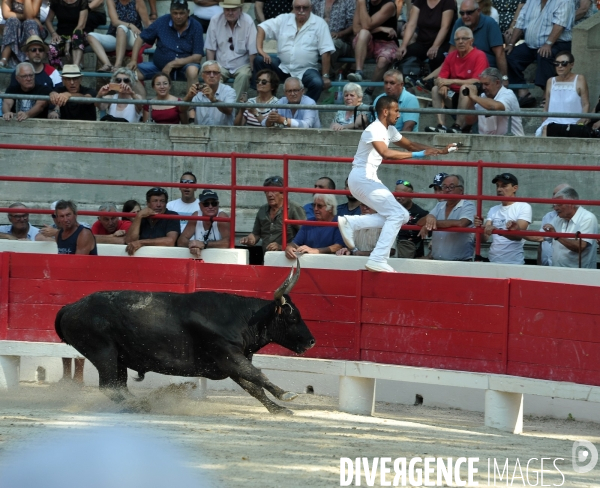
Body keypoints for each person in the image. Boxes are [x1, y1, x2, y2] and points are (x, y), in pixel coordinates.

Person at [337, 96, 457, 273]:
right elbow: (386, 153)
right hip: (362, 179)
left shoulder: (389, 129)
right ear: (386, 111)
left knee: (399, 215)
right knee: (398, 213)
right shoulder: (374, 129)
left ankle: (353, 223)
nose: (399, 115)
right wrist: (420, 154)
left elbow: (410, 144)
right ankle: (376, 257)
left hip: (367, 179)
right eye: (397, 111)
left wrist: (439, 150)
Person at [254, 0, 335, 104]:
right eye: (298, 7)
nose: (301, 10)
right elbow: (262, 27)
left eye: (304, 8)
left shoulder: (319, 23)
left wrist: (325, 76)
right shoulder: (284, 19)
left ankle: (303, 109)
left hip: (306, 70)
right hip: (283, 67)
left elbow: (326, 51)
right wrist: (260, 50)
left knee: (317, 82)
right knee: (259, 60)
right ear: (293, 8)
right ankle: (269, 101)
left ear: (311, 8)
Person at [54, 199, 97, 385]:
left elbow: (77, 266)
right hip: (67, 286)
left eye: (68, 215)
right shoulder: (60, 235)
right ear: (57, 218)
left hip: (82, 287)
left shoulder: (84, 234)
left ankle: (78, 377)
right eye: (61, 216)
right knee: (65, 330)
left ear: (75, 214)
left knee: (79, 331)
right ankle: (66, 376)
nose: (66, 219)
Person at [505, 0, 575, 108]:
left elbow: (560, 25)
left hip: (557, 43)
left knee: (545, 54)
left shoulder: (564, 1)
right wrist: (511, 44)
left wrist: (548, 43)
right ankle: (523, 92)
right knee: (510, 55)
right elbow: (520, 22)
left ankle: (547, 95)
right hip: (531, 45)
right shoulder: (531, 1)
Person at [127, 0, 204, 98]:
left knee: (193, 70)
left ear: (188, 12)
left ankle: (191, 107)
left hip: (184, 68)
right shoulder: (162, 21)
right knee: (130, 74)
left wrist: (172, 64)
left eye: (182, 13)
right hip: (159, 67)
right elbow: (140, 38)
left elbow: (197, 57)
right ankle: (143, 107)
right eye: (175, 13)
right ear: (170, 12)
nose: (178, 16)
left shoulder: (196, 26)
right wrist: (133, 60)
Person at [425, 27, 489, 133]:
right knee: (436, 89)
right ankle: (441, 126)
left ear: (471, 41)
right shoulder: (451, 56)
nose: (460, 42)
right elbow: (440, 78)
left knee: (465, 88)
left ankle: (457, 126)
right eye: (457, 39)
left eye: (464, 38)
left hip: (473, 100)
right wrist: (443, 85)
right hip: (454, 96)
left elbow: (477, 81)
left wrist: (450, 82)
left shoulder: (479, 55)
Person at [473, 173, 531, 264]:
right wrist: (479, 227)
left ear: (515, 188)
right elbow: (483, 238)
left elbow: (519, 235)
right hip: (492, 261)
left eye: (504, 186)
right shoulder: (493, 209)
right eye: (497, 186)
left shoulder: (523, 207)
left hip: (513, 262)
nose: (499, 189)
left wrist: (498, 231)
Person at [205, 0, 257, 100]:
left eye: (233, 10)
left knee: (244, 76)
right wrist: (210, 69)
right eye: (227, 9)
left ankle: (232, 109)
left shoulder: (248, 21)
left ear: (240, 9)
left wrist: (252, 71)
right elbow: (210, 49)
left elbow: (252, 51)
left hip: (242, 65)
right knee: (213, 77)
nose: (229, 12)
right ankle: (217, 108)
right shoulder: (215, 20)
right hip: (221, 65)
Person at [239, 175, 306, 253]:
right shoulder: (262, 210)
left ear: (283, 193)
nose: (269, 194)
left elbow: (304, 236)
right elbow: (256, 233)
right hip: (266, 257)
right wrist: (250, 239)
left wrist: (282, 246)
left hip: (287, 258)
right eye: (267, 191)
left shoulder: (294, 208)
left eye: (273, 191)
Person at [347, 0, 397, 103]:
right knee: (363, 33)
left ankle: (369, 91)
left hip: (386, 42)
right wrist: (380, 28)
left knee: (383, 60)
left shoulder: (389, 5)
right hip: (368, 42)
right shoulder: (363, 3)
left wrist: (361, 3)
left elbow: (367, 25)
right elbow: (356, 30)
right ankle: (359, 72)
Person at [417, 174, 476, 261]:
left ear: (461, 190)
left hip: (460, 263)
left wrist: (432, 223)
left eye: (451, 187)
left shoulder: (468, 205)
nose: (447, 190)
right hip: (436, 261)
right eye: (444, 187)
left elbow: (461, 223)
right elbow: (419, 222)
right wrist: (429, 217)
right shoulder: (439, 205)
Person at [535, 52, 589, 137]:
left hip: (573, 123)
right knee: (545, 129)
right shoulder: (550, 81)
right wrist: (544, 120)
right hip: (552, 122)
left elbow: (585, 104)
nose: (560, 66)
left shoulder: (580, 79)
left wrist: (582, 120)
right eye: (557, 64)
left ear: (572, 65)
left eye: (564, 63)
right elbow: (546, 106)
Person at [86, 0, 150, 73]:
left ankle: (117, 65)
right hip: (115, 36)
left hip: (132, 37)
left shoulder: (138, 1)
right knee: (91, 36)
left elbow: (146, 22)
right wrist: (130, 25)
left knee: (121, 28)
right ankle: (107, 64)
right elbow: (114, 21)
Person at [542, 186, 598, 269]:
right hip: (557, 271)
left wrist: (556, 236)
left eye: (559, 204)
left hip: (579, 275)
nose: (556, 208)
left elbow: (580, 246)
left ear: (571, 203)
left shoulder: (587, 218)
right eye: (554, 205)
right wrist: (518, 231)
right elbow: (540, 236)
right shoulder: (559, 219)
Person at [395, 0, 456, 75]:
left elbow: (445, 27)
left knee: (436, 57)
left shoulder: (448, 2)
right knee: (405, 54)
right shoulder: (419, 1)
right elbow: (411, 24)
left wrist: (435, 46)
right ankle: (410, 81)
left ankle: (434, 83)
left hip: (442, 43)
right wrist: (403, 45)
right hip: (423, 42)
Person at [462, 66, 523, 136]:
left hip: (511, 142)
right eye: (482, 84)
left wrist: (474, 96)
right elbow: (470, 121)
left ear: (497, 83)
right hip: (487, 142)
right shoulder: (482, 96)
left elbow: (495, 106)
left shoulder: (508, 94)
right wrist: (471, 99)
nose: (483, 87)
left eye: (486, 84)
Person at [284, 193, 344, 258]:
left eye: (319, 206)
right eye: (314, 205)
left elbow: (338, 246)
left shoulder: (339, 222)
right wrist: (289, 248)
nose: (315, 209)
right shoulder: (309, 222)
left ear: (330, 208)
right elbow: (295, 243)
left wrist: (316, 251)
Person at [124, 187, 180, 256]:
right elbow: (129, 241)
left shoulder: (172, 215)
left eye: (162, 201)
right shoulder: (142, 217)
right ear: (148, 203)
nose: (158, 205)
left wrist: (141, 242)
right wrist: (139, 216)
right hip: (141, 258)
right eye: (155, 201)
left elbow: (170, 241)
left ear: (166, 203)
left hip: (164, 258)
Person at [177, 189, 230, 257]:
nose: (210, 207)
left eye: (214, 203)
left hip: (219, 257)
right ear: (200, 205)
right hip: (199, 256)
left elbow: (228, 242)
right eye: (206, 204)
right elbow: (181, 241)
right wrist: (193, 245)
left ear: (218, 204)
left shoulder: (222, 217)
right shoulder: (196, 216)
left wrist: (204, 244)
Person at [527, 183, 570, 266]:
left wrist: (517, 231)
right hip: (545, 266)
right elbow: (541, 242)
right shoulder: (548, 216)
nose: (553, 198)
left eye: (557, 194)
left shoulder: (575, 218)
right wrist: (539, 264)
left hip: (563, 268)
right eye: (553, 194)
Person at [185, 60, 237, 126]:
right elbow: (184, 109)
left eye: (215, 73)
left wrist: (213, 99)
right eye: (208, 72)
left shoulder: (229, 91)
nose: (212, 75)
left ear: (220, 76)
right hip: (201, 132)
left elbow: (229, 110)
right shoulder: (197, 90)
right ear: (202, 75)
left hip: (223, 133)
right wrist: (188, 97)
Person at [0, 0, 49, 67]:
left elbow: (29, 17)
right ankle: (4, 59)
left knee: (29, 22)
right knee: (12, 21)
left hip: (33, 28)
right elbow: (6, 14)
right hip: (16, 27)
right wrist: (23, 16)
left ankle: (30, 59)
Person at [44, 0, 88, 69]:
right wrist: (53, 33)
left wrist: (69, 41)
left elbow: (81, 25)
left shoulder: (82, 2)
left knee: (77, 34)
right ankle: (58, 73)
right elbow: (48, 20)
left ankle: (75, 68)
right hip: (61, 35)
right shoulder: (56, 2)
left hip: (78, 35)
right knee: (52, 48)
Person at [311, 0, 355, 67]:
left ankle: (326, 74)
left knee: (331, 45)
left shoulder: (349, 1)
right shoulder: (315, 1)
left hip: (341, 41)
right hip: (318, 38)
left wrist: (340, 33)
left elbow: (353, 25)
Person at [394, 179, 428, 258]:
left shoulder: (421, 213)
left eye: (402, 194)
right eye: (396, 193)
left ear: (411, 195)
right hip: (390, 255)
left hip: (413, 258)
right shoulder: (390, 210)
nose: (398, 197)